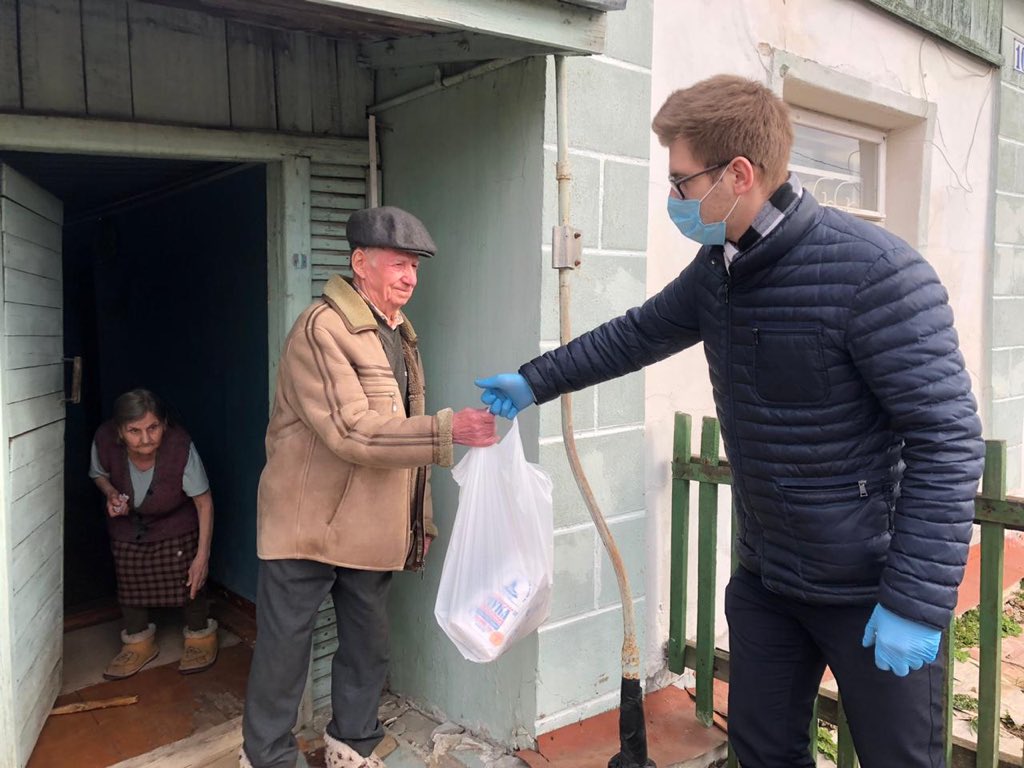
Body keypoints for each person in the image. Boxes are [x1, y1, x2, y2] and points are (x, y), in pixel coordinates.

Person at [476, 75, 984, 767]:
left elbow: (946, 440)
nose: (674, 198)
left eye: (681, 181)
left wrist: (916, 600)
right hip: (769, 581)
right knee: (763, 752)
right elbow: (636, 334)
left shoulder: (877, 274)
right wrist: (534, 381)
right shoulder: (720, 268)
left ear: (738, 175)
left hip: (868, 589)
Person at [240, 206, 497, 768]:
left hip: (369, 526)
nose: (410, 277)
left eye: (415, 267)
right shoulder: (322, 329)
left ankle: (350, 746)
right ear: (360, 263)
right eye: (399, 263)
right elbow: (352, 431)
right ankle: (267, 758)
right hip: (305, 526)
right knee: (284, 656)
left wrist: (416, 522)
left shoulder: (398, 331)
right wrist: (448, 431)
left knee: (367, 646)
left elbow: (399, 433)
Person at [90, 388, 217, 679]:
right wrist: (111, 493)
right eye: (134, 431)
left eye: (153, 428)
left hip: (176, 524)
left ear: (164, 424)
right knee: (129, 579)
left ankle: (200, 635)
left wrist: (202, 557)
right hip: (128, 527)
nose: (145, 438)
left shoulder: (180, 446)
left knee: (190, 580)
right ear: (120, 431)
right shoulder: (104, 439)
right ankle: (138, 642)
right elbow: (98, 473)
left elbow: (204, 502)